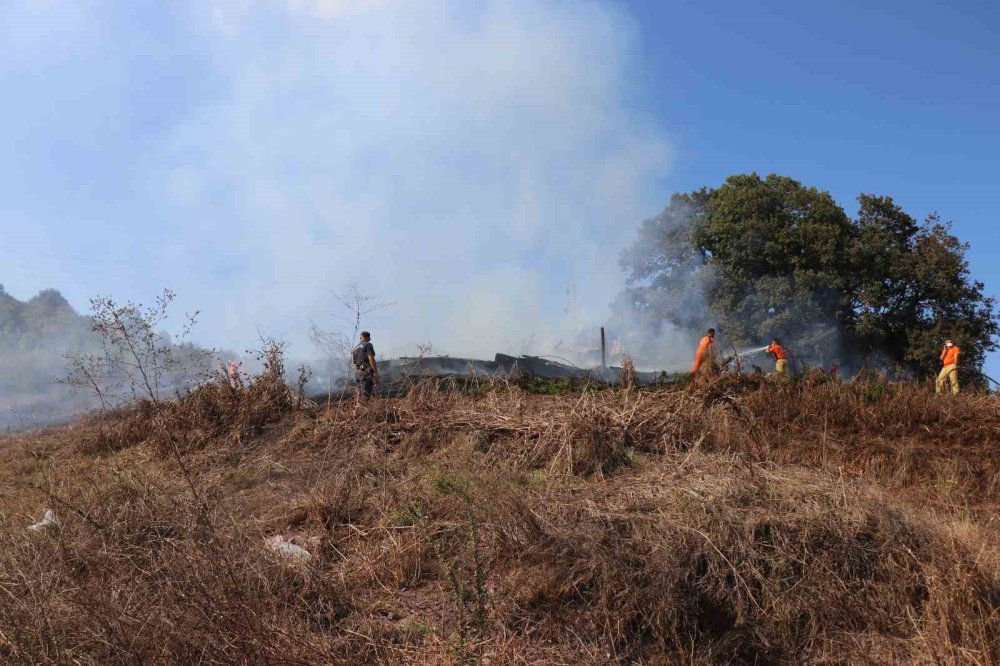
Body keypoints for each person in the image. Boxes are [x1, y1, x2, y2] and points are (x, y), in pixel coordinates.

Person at [351, 331, 379, 398]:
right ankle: (365, 406)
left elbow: (354, 363)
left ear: (360, 338)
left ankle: (359, 407)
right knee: (366, 395)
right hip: (366, 372)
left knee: (359, 394)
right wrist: (375, 373)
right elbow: (371, 359)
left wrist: (357, 373)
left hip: (357, 373)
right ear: (369, 338)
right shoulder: (368, 345)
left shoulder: (355, 348)